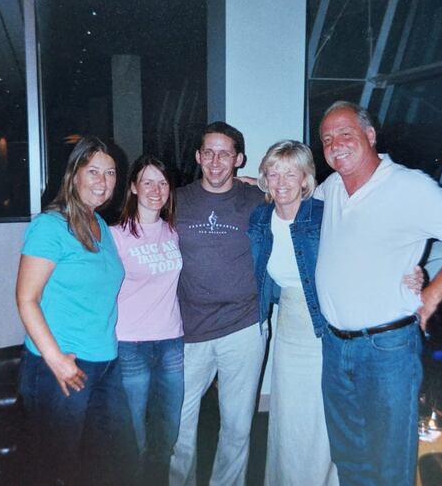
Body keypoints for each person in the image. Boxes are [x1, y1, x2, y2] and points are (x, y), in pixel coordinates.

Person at [314, 101, 442, 486]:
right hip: (334, 346)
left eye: (346, 133)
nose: (336, 144)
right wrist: (256, 184)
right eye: (327, 138)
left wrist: (430, 296)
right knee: (350, 459)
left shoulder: (408, 185)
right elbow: (296, 199)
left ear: (370, 135)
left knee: (388, 464)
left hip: (387, 350)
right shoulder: (330, 189)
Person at [248, 140, 424, 486]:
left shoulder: (322, 214)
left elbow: (366, 246)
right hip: (286, 328)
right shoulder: (259, 218)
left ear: (305, 180)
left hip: (324, 328)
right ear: (264, 179)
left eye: (290, 173)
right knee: (288, 419)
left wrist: (407, 272)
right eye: (273, 173)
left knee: (320, 420)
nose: (281, 182)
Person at [15, 136, 135, 485]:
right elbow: (26, 299)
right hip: (62, 366)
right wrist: (56, 360)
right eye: (93, 171)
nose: (103, 181)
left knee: (107, 465)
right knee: (58, 470)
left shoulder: (101, 227)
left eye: (110, 173)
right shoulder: (50, 226)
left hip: (104, 363)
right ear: (74, 175)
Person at [169, 122, 265, 486]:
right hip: (187, 329)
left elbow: (303, 200)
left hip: (243, 327)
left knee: (238, 427)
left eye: (224, 153)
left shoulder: (256, 199)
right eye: (208, 151)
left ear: (238, 159)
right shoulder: (175, 199)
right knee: (180, 427)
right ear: (197, 155)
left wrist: (265, 183)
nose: (215, 160)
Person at [109, 155, 184, 484]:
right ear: (134, 187)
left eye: (163, 182)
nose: (156, 189)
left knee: (168, 432)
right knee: (134, 434)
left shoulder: (174, 232)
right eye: (148, 182)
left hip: (171, 342)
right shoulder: (115, 235)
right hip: (130, 345)